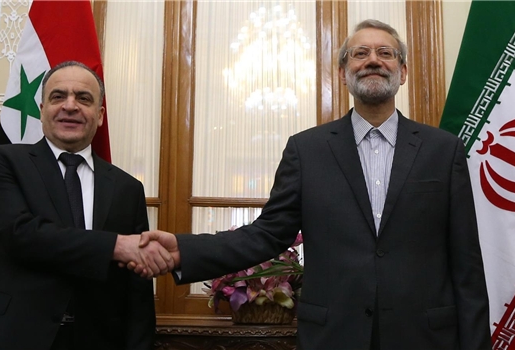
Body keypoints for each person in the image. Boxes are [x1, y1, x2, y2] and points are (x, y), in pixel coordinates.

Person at [137, 19, 492, 349]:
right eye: (360, 53)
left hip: (425, 338)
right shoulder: (306, 150)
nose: (373, 60)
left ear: (403, 73)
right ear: (342, 73)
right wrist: (184, 250)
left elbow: (467, 265)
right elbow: (267, 235)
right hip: (333, 336)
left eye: (385, 53)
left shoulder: (443, 150)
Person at [0, 61, 173, 350]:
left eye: (83, 98)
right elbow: (18, 234)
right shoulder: (0, 162)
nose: (70, 106)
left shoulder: (128, 188)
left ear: (100, 115)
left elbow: (136, 289)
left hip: (99, 340)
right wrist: (116, 245)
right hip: (15, 336)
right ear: (41, 110)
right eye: (58, 96)